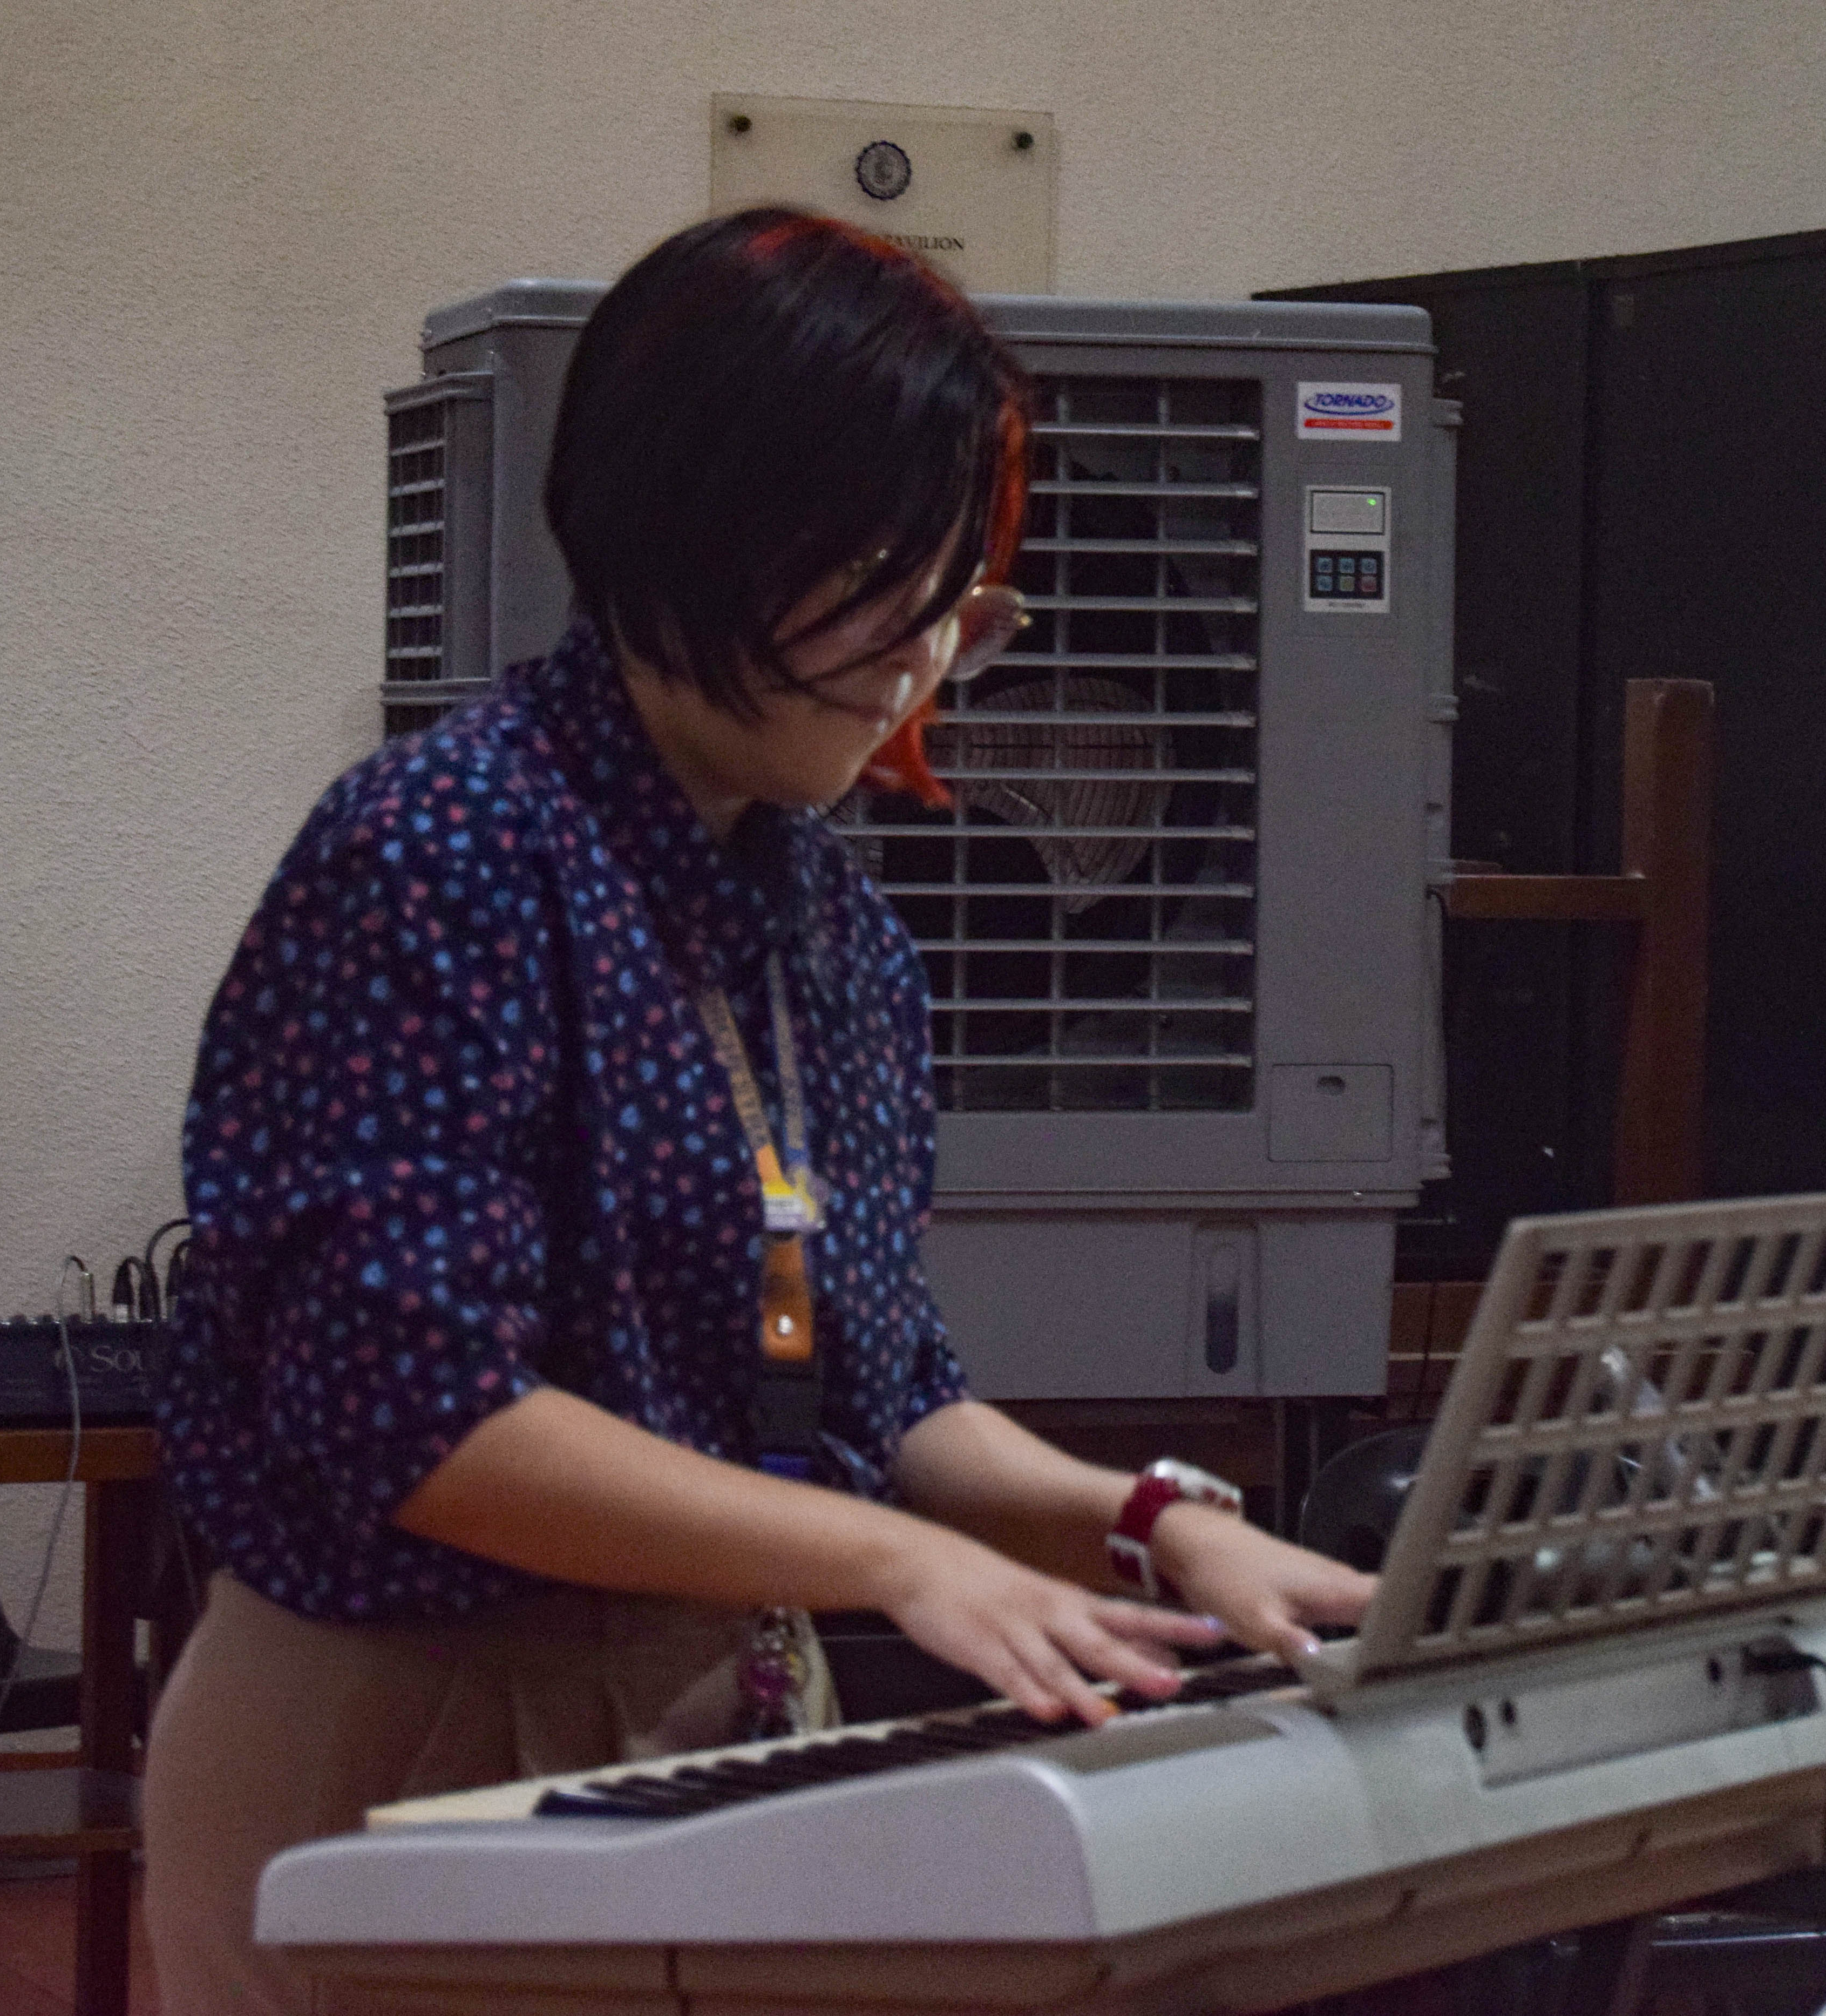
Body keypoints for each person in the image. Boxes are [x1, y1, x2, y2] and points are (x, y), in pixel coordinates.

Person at [141, 208, 1376, 2011]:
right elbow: (419, 1417)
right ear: (694, 527)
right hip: (402, 1703)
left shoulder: (836, 925)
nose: (922, 659)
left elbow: (890, 1394)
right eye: (877, 583)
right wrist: (891, 1561)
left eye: (958, 602)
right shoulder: (445, 846)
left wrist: (1155, 1524)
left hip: (710, 1702)